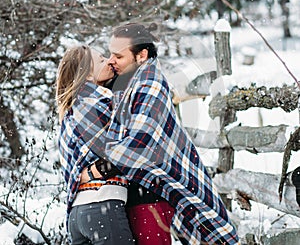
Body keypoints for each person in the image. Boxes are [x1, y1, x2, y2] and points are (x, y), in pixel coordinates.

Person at [90, 23, 240, 244]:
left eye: (118, 56)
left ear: (141, 55)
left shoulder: (150, 85)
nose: (111, 60)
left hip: (152, 195)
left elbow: (139, 144)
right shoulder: (129, 84)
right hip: (141, 193)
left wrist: (96, 170)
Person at [56, 45, 135, 245]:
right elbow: (129, 148)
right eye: (101, 60)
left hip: (78, 214)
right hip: (102, 206)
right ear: (87, 73)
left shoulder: (74, 107)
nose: (109, 61)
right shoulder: (94, 101)